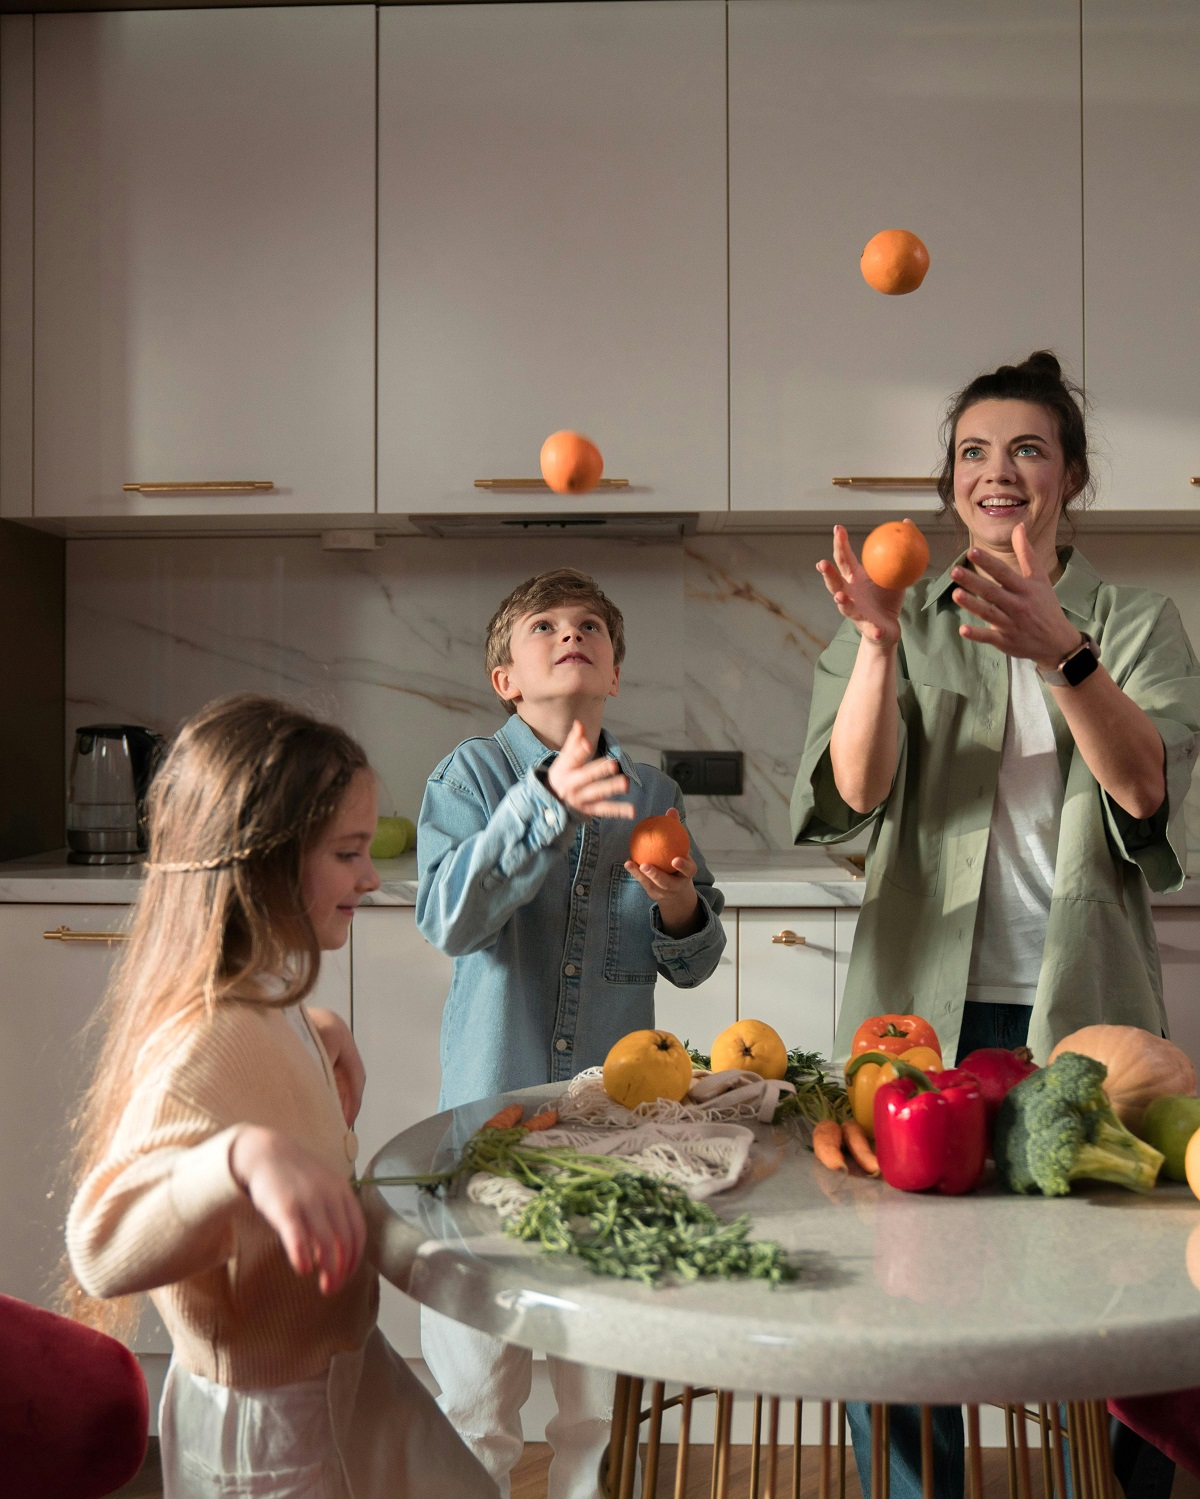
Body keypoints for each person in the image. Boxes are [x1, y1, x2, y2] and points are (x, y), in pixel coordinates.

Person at [792, 352, 1200, 1499]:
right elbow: (854, 794)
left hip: (1087, 1011)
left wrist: (1063, 651)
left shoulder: (1133, 621)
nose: (998, 469)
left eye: (1027, 448)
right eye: (974, 451)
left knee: (1116, 1298)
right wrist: (877, 645)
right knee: (905, 1302)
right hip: (920, 1018)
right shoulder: (900, 618)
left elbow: (1144, 788)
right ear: (950, 481)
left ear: (1071, 474)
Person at [64, 694, 497, 1499]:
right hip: (267, 1430)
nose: (371, 875)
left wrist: (311, 1031)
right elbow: (100, 1244)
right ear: (263, 865)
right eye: (347, 852)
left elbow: (252, 1065)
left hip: (337, 1368)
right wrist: (236, 1157)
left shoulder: (267, 997)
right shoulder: (205, 1038)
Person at [416, 567, 727, 1499]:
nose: (571, 634)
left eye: (590, 625)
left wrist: (679, 906)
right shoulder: (470, 777)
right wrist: (544, 802)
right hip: (490, 1133)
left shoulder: (654, 791)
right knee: (476, 1396)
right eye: (544, 625)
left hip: (613, 1140)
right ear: (506, 679)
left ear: (615, 673)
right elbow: (449, 920)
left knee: (599, 1405)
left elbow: (693, 961)